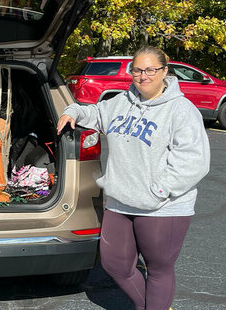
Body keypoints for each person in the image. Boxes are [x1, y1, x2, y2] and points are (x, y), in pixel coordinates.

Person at [56, 46, 210, 310]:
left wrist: (159, 191)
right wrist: (73, 111)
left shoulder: (181, 110)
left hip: (163, 207)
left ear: (165, 70)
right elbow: (94, 113)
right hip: (120, 201)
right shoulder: (120, 102)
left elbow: (194, 161)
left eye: (151, 69)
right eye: (138, 70)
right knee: (115, 264)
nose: (143, 76)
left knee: (159, 269)